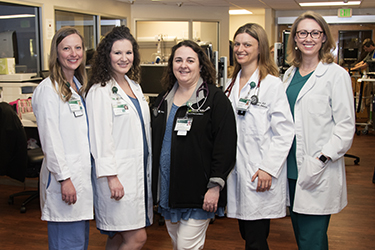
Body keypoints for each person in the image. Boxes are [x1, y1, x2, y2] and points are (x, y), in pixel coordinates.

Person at [151, 40, 237, 250]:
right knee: (177, 244)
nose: (184, 65)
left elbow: (225, 147)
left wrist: (215, 187)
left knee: (185, 246)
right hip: (169, 191)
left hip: (199, 192)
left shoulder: (215, 100)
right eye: (178, 60)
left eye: (190, 60)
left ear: (201, 65)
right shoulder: (162, 100)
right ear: (171, 65)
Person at [283, 11, 355, 250]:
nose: (308, 38)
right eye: (302, 33)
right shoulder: (288, 75)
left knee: (311, 240)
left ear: (324, 38)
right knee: (300, 234)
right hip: (290, 168)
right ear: (294, 38)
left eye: (315, 33)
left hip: (317, 168)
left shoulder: (336, 75)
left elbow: (345, 126)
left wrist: (322, 158)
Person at [225, 23, 295, 250]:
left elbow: (284, 131)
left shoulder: (272, 84)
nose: (240, 49)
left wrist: (268, 167)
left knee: (255, 238)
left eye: (247, 44)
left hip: (259, 171)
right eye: (237, 44)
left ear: (260, 48)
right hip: (236, 170)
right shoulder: (230, 84)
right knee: (246, 232)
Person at [85, 25, 152, 250]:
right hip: (117, 177)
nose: (124, 58)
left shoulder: (134, 86)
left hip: (137, 173)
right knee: (136, 238)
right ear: (107, 56)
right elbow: (100, 138)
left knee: (117, 236)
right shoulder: (100, 91)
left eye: (129, 52)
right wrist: (112, 176)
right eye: (117, 53)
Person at [32, 27, 93, 250]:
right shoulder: (48, 90)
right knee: (67, 244)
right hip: (64, 181)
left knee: (79, 242)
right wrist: (64, 179)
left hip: (80, 179)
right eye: (66, 48)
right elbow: (51, 140)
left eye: (78, 48)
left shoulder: (77, 86)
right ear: (56, 53)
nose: (73, 53)